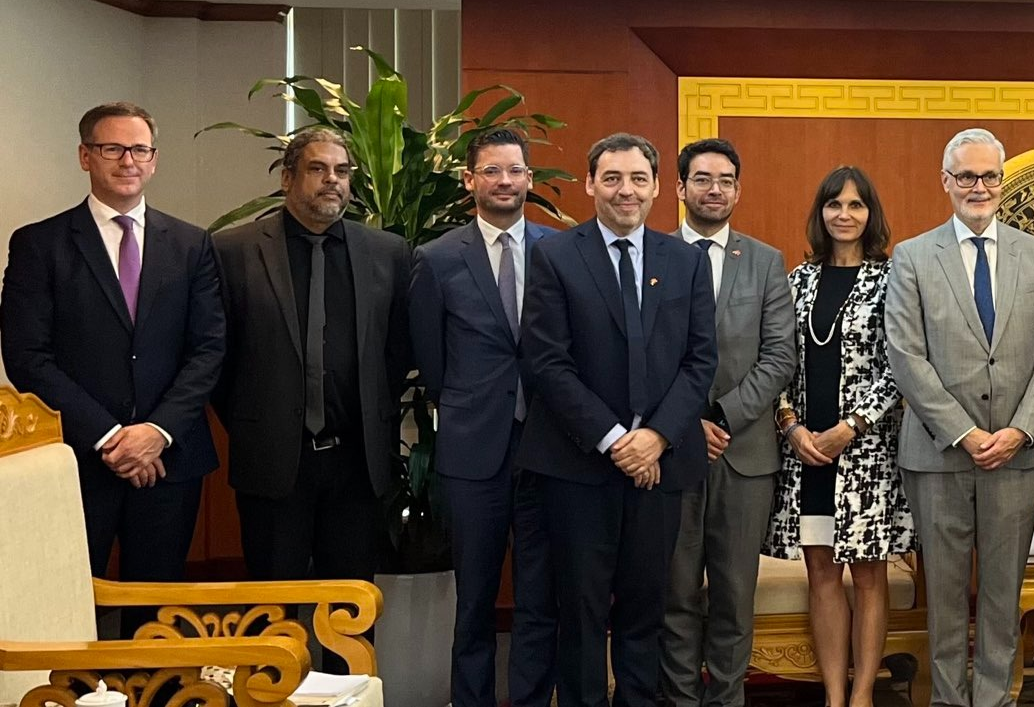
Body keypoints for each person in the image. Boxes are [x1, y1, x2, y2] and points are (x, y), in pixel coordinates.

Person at [1, 102, 225, 618]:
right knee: (71, 609)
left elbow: (208, 349)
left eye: (139, 149)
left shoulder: (192, 244)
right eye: (112, 149)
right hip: (77, 459)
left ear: (154, 159)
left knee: (159, 615)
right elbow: (27, 357)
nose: (128, 160)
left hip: (171, 458)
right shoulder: (40, 243)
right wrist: (109, 437)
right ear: (85, 156)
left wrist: (155, 432)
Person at [518, 133, 717, 707]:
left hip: (660, 469)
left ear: (657, 188)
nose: (625, 191)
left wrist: (655, 438)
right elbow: (547, 362)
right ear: (590, 185)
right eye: (611, 178)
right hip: (577, 467)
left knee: (646, 609)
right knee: (578, 612)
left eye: (637, 179)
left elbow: (700, 359)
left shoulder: (685, 260)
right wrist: (616, 441)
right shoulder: (554, 255)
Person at [884, 128, 1034, 707]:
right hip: (939, 454)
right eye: (966, 176)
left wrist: (1018, 431)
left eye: (989, 176)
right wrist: (964, 432)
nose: (978, 187)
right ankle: (946, 698)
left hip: (1018, 455)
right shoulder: (913, 255)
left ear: (1003, 180)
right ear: (947, 182)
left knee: (1001, 590)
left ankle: (993, 698)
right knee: (942, 591)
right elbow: (906, 355)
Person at [214, 127, 412, 587]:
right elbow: (219, 360)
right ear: (287, 179)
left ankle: (349, 667)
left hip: (356, 466)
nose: (332, 181)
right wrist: (258, 421)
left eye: (342, 171)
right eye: (318, 169)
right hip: (274, 462)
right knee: (271, 608)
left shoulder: (388, 253)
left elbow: (397, 352)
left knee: (349, 612)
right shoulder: (234, 251)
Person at [409, 127, 559, 707]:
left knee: (539, 597)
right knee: (474, 599)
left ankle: (529, 700)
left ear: (529, 179)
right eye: (492, 171)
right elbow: (431, 361)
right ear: (470, 180)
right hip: (473, 455)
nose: (505, 181)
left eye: (515, 170)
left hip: (549, 450)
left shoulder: (560, 250)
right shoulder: (438, 258)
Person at [765, 167, 916, 707]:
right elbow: (778, 361)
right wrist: (790, 424)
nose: (844, 215)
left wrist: (852, 427)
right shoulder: (795, 280)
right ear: (821, 213)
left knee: (870, 578)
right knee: (822, 575)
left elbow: (902, 368)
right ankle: (832, 696)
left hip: (869, 453)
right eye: (834, 205)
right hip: (806, 453)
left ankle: (862, 696)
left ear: (871, 214)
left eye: (856, 205)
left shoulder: (894, 279)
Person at [660, 138, 798, 707]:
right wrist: (685, 423)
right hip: (668, 450)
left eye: (724, 180)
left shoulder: (765, 261)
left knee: (736, 594)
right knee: (674, 592)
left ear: (738, 190)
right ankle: (680, 700)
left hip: (744, 455)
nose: (713, 189)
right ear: (680, 188)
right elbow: (642, 356)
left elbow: (779, 356)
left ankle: (728, 700)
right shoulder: (652, 254)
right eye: (701, 179)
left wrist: (720, 416)